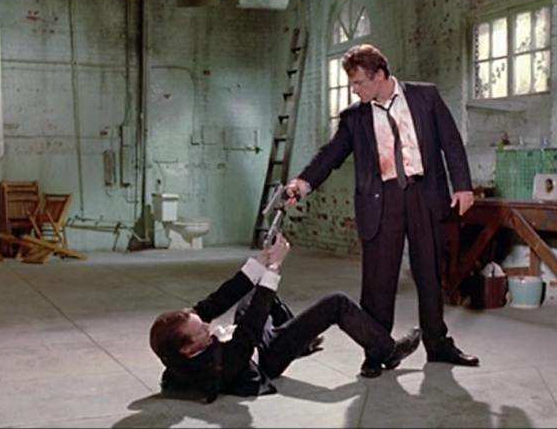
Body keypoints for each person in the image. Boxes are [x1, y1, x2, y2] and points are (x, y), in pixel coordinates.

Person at [285, 44, 478, 378]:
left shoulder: (425, 97)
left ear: (379, 75)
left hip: (424, 194)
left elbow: (451, 142)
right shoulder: (354, 118)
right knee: (378, 281)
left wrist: (463, 186)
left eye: (359, 82)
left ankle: (438, 345)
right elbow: (331, 154)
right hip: (381, 200)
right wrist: (303, 182)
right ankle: (376, 350)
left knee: (429, 274)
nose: (354, 90)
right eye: (352, 84)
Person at [149, 234, 422, 403]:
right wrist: (275, 267)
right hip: (265, 357)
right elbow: (251, 326)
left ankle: (301, 341)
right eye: (201, 331)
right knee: (336, 302)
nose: (207, 325)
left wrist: (260, 261)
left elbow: (219, 299)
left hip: (246, 342)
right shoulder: (218, 366)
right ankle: (389, 351)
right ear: (188, 350)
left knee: (253, 293)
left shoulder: (173, 345)